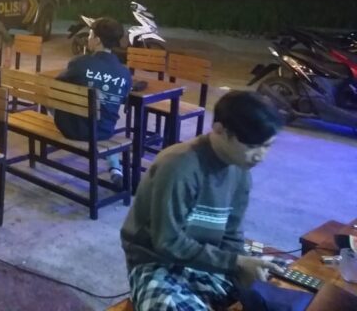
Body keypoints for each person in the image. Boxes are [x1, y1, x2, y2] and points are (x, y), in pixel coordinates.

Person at [120, 91, 285, 311]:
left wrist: (239, 266)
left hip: (206, 256)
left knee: (285, 276)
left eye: (267, 145)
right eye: (252, 146)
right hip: (158, 261)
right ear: (219, 130)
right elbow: (168, 242)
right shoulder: (178, 166)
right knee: (166, 306)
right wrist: (234, 263)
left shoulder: (241, 169)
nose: (260, 156)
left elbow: (232, 235)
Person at [53, 17, 131, 187]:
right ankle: (115, 167)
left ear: (97, 40)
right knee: (102, 110)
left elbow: (56, 85)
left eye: (90, 35)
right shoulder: (125, 73)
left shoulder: (79, 63)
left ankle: (115, 167)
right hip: (105, 131)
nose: (88, 39)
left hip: (73, 129)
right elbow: (124, 98)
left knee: (54, 96)